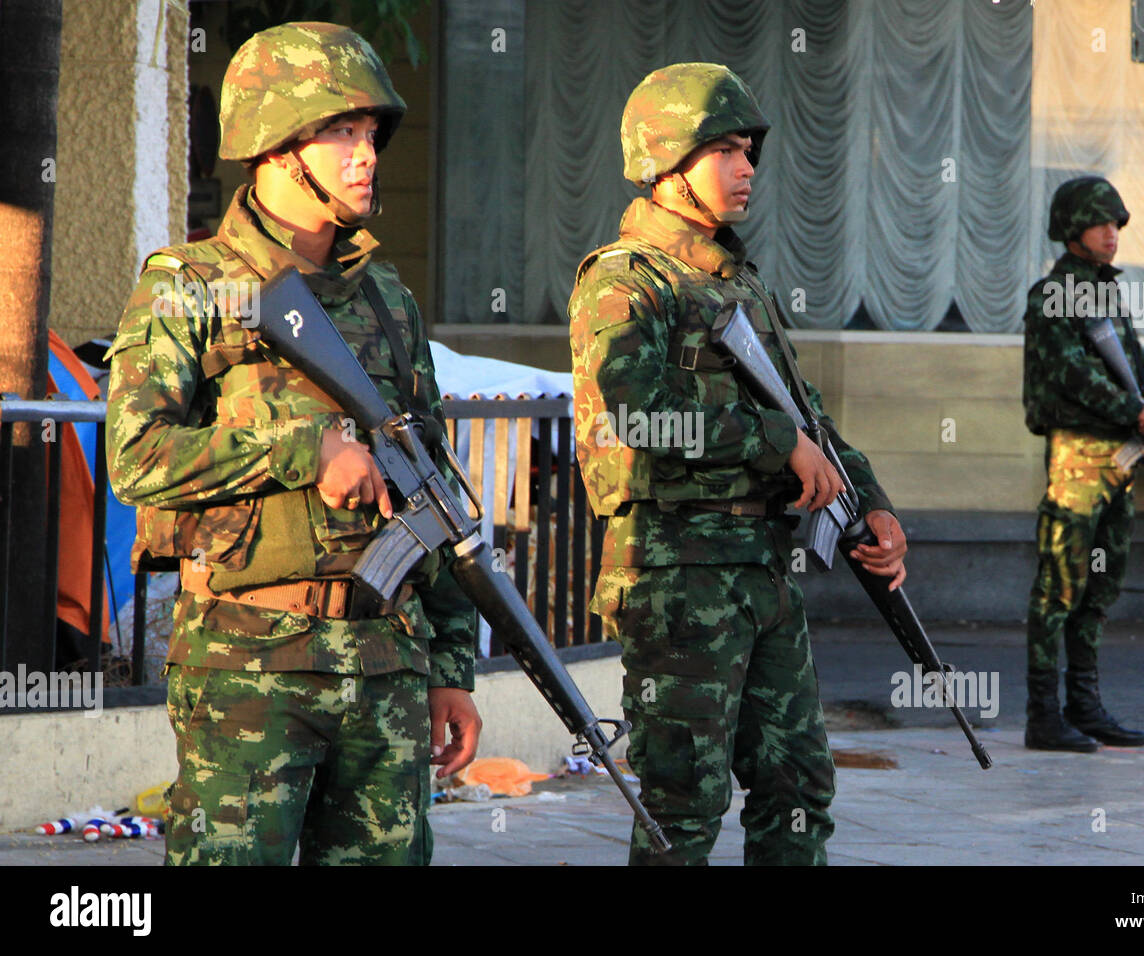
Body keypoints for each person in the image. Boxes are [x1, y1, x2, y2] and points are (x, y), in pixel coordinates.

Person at [105, 22, 480, 865]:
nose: (366, 154)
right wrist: (306, 450)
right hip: (250, 667)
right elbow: (137, 456)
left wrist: (451, 667)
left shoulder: (388, 298)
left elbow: (436, 493)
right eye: (339, 131)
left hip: (386, 667)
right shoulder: (189, 284)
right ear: (274, 146)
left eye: (371, 133)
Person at [568, 62, 907, 865]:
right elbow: (638, 412)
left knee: (797, 785)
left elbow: (807, 416)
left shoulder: (737, 283)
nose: (747, 167)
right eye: (724, 150)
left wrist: (872, 504)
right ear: (664, 161)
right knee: (682, 804)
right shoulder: (624, 282)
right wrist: (769, 439)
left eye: (748, 150)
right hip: (679, 572)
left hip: (762, 569)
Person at [1022, 176, 1144, 752]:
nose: (1112, 235)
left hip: (1121, 457)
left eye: (1117, 225)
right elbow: (1070, 373)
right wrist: (1139, 413)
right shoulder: (1051, 295)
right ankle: (1043, 716)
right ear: (1072, 228)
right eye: (1100, 224)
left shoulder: (1108, 295)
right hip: (1079, 456)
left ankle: (1084, 705)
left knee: (1102, 583)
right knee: (1060, 584)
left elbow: (1136, 361)